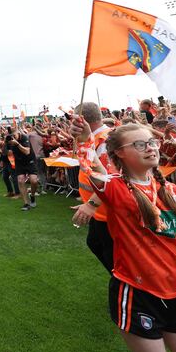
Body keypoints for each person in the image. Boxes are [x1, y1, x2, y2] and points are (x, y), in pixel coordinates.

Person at [72, 120, 176, 352]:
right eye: (140, 144)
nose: (150, 148)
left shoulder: (172, 192)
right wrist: (84, 137)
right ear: (120, 153)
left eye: (152, 142)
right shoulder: (115, 187)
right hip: (137, 295)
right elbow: (90, 164)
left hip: (175, 294)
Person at [70, 102, 114, 273]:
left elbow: (111, 178)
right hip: (99, 208)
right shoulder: (96, 138)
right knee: (95, 242)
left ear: (82, 120)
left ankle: (127, 288)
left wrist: (91, 204)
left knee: (112, 253)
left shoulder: (104, 141)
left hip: (107, 211)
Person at [9, 132, 39, 211]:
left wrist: (17, 144)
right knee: (20, 180)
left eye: (14, 135)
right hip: (19, 163)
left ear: (18, 133)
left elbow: (27, 152)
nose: (13, 137)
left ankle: (32, 195)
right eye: (12, 136)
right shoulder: (9, 140)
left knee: (34, 181)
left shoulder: (24, 138)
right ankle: (26, 203)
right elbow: (7, 152)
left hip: (30, 161)